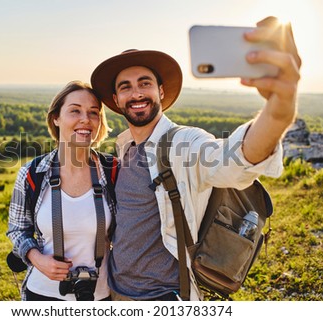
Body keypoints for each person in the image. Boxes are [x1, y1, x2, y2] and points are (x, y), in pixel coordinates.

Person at [90, 17, 301, 300]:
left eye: (145, 83)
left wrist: (279, 111)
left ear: (160, 92)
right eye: (125, 87)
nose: (136, 93)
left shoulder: (182, 142)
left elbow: (233, 160)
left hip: (164, 297)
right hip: (115, 293)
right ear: (116, 100)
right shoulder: (125, 147)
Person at [7, 81, 116, 301]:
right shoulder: (32, 173)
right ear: (56, 118)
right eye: (75, 110)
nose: (85, 119)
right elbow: (17, 229)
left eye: (93, 113)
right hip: (42, 294)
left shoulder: (113, 171)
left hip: (100, 295)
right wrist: (36, 258)